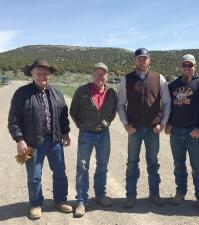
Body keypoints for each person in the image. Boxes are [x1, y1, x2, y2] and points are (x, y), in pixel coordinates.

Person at [8, 59, 73, 219]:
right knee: (34, 176)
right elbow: (13, 120)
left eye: (45, 72)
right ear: (32, 73)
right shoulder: (22, 93)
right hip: (32, 143)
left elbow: (63, 116)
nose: (42, 75)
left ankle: (60, 200)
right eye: (39, 72)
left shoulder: (56, 92)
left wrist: (65, 133)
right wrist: (19, 140)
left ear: (49, 74)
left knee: (59, 173)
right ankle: (36, 204)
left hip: (55, 140)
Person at [117, 48, 171, 208]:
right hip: (134, 128)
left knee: (153, 162)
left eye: (145, 58)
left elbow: (167, 103)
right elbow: (120, 104)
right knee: (132, 162)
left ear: (149, 60)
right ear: (134, 60)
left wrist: (162, 123)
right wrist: (126, 124)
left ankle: (154, 194)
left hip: (152, 129)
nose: (142, 61)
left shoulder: (159, 78)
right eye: (139, 58)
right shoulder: (126, 79)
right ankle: (130, 196)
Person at [164, 54, 199, 212]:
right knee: (179, 164)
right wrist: (168, 123)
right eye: (184, 65)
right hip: (176, 132)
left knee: (197, 166)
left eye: (190, 65)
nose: (187, 68)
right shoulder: (173, 85)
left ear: (195, 67)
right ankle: (180, 192)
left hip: (193, 132)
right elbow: (167, 107)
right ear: (180, 67)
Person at [70, 62, 118, 217]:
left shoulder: (111, 93)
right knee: (82, 167)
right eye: (97, 73)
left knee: (102, 165)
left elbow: (113, 111)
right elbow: (73, 111)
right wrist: (81, 125)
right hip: (86, 133)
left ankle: (100, 194)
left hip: (104, 134)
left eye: (102, 74)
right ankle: (82, 201)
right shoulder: (82, 91)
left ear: (107, 76)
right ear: (92, 75)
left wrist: (107, 122)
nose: (99, 77)